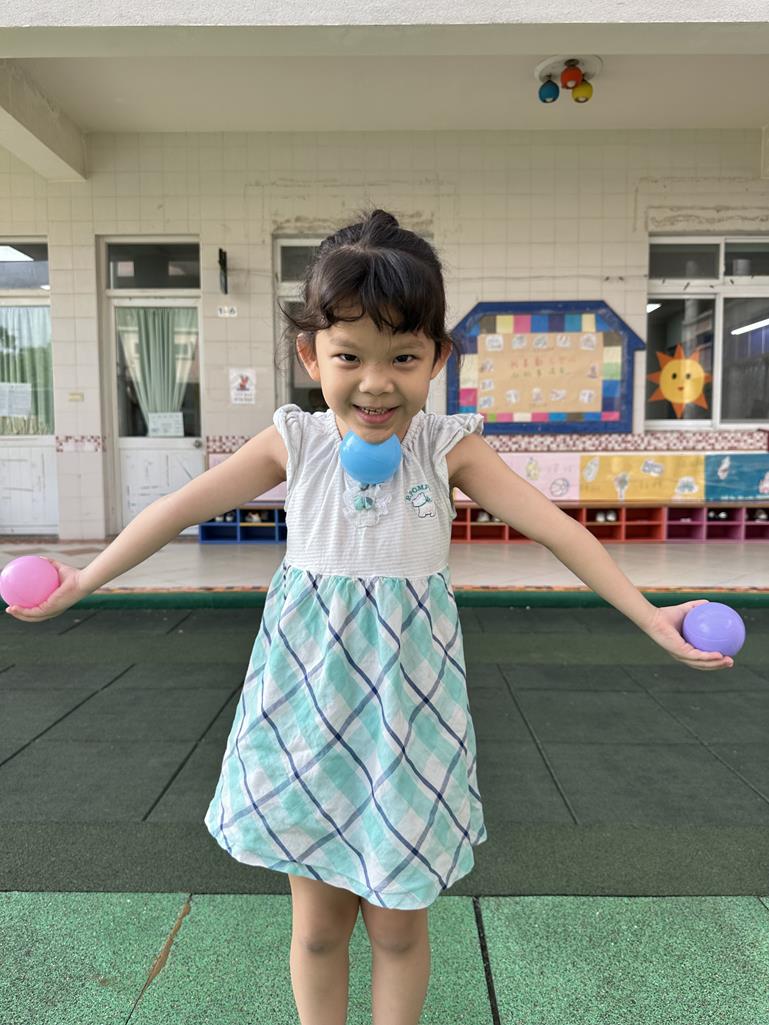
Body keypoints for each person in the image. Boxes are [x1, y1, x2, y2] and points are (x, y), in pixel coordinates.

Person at [5, 208, 734, 1025]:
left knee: (396, 925)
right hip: (306, 716)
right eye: (349, 355)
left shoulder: (447, 449)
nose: (376, 383)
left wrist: (648, 615)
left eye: (403, 357)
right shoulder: (295, 443)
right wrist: (85, 578)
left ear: (437, 359)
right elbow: (177, 508)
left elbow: (558, 529)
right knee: (318, 929)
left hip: (408, 722)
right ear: (310, 354)